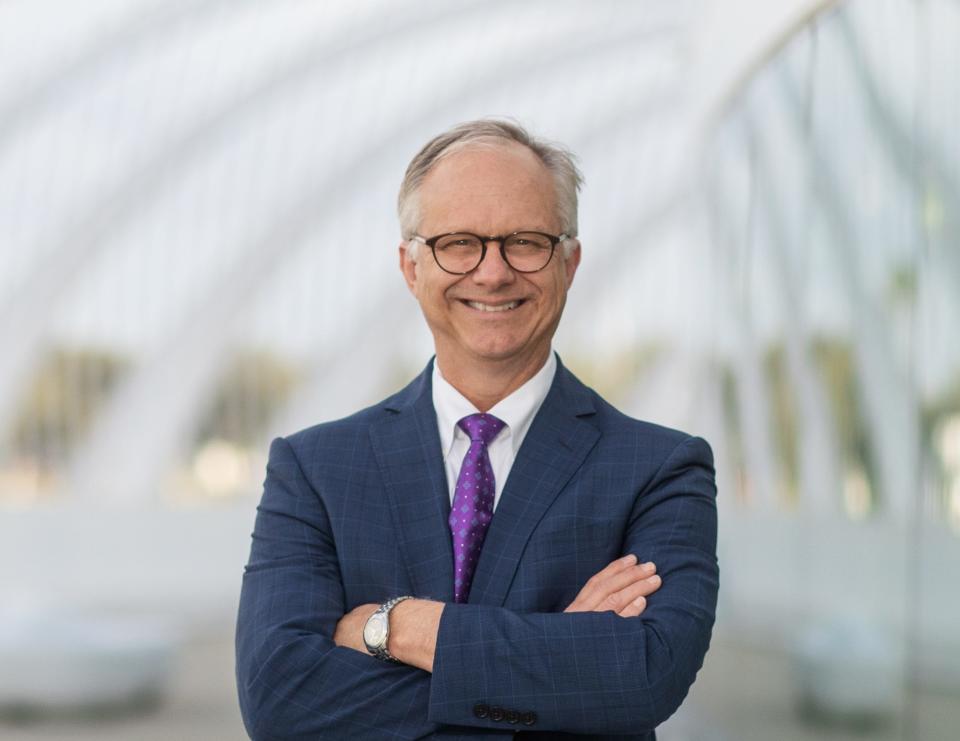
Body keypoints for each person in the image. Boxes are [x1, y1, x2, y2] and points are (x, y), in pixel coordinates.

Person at [235, 120, 719, 740]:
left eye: (525, 241)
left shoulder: (660, 468)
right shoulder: (314, 468)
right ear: (411, 268)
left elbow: (644, 676)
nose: (492, 273)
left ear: (569, 263)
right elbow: (280, 697)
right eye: (458, 243)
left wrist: (398, 628)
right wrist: (560, 667)